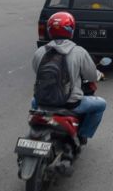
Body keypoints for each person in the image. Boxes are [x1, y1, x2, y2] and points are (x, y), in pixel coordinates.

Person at [32, 12, 106, 145]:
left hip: (42, 102)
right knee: (101, 104)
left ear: (49, 30)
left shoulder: (40, 52)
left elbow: (37, 71)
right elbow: (91, 75)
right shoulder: (79, 52)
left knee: (33, 101)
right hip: (70, 104)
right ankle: (83, 135)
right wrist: (99, 75)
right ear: (71, 30)